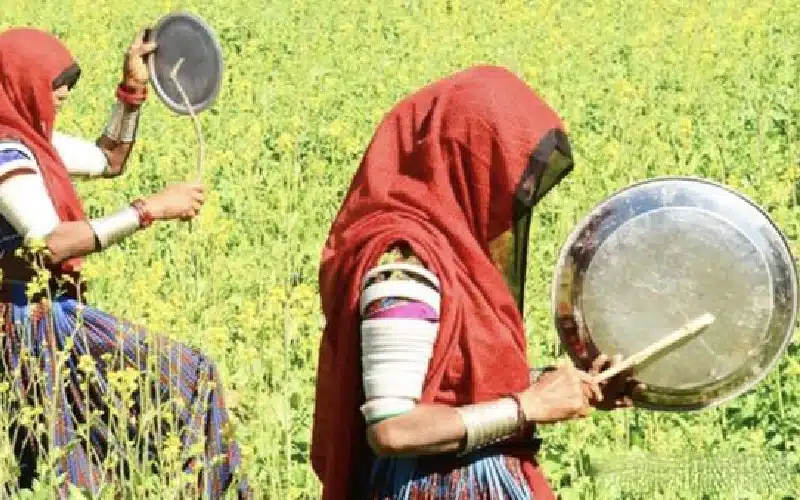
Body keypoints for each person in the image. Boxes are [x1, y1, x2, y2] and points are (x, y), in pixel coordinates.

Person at [311, 65, 641, 499]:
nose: (513, 197)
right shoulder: (405, 271)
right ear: (467, 163)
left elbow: (459, 383)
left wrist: (566, 384)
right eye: (505, 176)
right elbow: (393, 429)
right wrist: (527, 408)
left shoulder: (453, 259)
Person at [0, 27, 249, 498]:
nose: (65, 92)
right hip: (27, 326)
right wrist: (149, 209)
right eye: (56, 82)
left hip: (53, 318)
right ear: (20, 80)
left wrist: (132, 89)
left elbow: (108, 159)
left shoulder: (32, 141)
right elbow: (51, 243)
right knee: (187, 376)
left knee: (76, 454)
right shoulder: (5, 151)